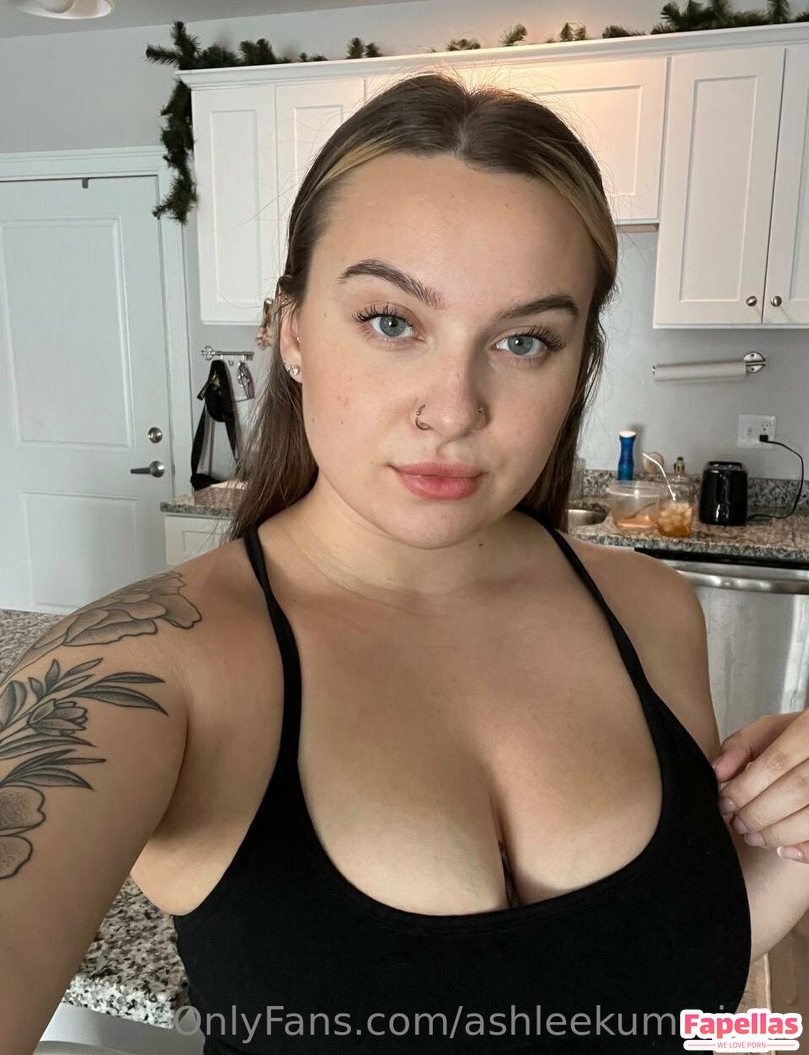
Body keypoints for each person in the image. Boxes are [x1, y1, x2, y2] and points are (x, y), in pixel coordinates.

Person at [4, 70, 809, 1055]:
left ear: (578, 366)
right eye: (391, 322)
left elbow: (658, 972)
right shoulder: (144, 670)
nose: (453, 409)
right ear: (291, 333)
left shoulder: (649, 606)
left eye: (524, 340)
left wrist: (793, 841)